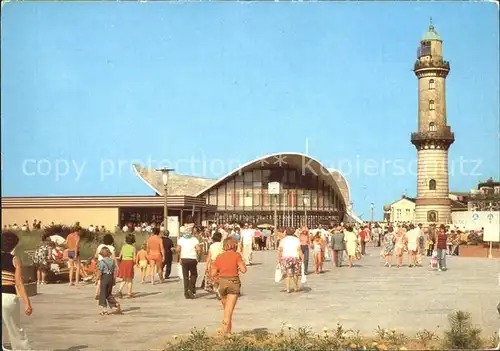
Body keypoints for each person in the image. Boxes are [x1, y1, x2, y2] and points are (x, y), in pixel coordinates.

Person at [2, 231, 33, 350]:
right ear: (14, 245)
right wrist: (27, 303)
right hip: (8, 297)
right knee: (15, 329)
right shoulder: (15, 259)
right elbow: (19, 283)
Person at [211, 237, 247, 334]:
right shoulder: (237, 255)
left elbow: (213, 273)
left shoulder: (219, 257)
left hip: (222, 283)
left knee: (226, 309)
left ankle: (228, 332)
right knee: (229, 311)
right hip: (233, 282)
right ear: (234, 245)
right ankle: (224, 332)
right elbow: (243, 270)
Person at [177, 227, 201, 299]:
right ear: (191, 232)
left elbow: (178, 249)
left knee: (185, 276)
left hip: (184, 259)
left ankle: (186, 293)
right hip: (192, 259)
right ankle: (190, 288)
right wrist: (198, 253)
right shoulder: (194, 239)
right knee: (194, 274)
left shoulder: (181, 240)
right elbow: (198, 249)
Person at [277, 227, 304, 293]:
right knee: (296, 273)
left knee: (287, 274)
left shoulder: (283, 240)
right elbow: (299, 249)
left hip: (286, 257)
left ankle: (288, 288)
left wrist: (279, 258)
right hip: (295, 257)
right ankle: (295, 287)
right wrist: (302, 257)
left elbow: (280, 250)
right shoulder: (296, 239)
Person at [96, 247, 121, 315]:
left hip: (105, 277)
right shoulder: (112, 261)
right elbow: (114, 270)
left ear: (102, 255)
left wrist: (97, 278)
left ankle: (104, 310)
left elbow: (100, 271)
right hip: (111, 277)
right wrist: (114, 279)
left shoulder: (102, 262)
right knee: (108, 293)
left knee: (103, 293)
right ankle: (115, 304)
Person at [116, 234, 136, 298]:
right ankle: (129, 293)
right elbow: (134, 258)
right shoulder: (133, 248)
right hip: (129, 262)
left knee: (124, 278)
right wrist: (134, 264)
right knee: (130, 279)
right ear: (133, 241)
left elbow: (120, 256)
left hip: (123, 262)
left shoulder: (123, 247)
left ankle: (119, 290)